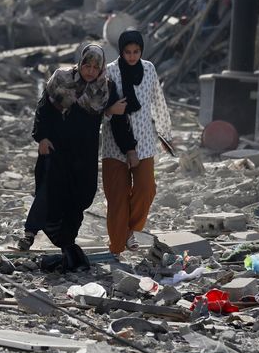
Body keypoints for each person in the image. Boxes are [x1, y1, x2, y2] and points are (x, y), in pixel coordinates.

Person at [19, 44, 129, 270]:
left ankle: (67, 244)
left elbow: (118, 121)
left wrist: (130, 149)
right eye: (86, 65)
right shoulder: (61, 78)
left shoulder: (105, 89)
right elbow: (44, 109)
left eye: (94, 67)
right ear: (80, 63)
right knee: (50, 190)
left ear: (100, 69)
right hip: (56, 148)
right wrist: (42, 138)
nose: (89, 71)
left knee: (82, 196)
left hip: (84, 155)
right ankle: (29, 233)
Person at [102, 29, 174, 256]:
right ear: (121, 51)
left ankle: (130, 230)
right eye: (128, 52)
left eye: (136, 52)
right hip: (115, 143)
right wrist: (109, 111)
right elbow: (102, 105)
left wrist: (164, 134)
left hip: (144, 141)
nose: (132, 56)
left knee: (146, 189)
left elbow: (158, 100)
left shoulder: (149, 69)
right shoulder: (111, 71)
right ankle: (115, 249)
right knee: (117, 197)